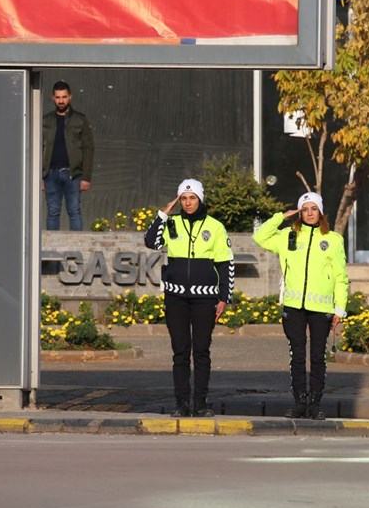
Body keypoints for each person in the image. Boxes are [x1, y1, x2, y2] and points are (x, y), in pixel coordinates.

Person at [253, 192, 349, 420]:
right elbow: (260, 237)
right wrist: (280, 217)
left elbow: (340, 276)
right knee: (296, 355)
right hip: (294, 306)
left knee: (317, 356)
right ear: (299, 212)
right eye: (304, 209)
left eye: (313, 209)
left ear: (320, 212)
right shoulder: (287, 235)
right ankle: (299, 402)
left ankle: (314, 404)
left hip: (321, 307)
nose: (309, 213)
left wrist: (339, 308)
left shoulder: (334, 239)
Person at [144, 179, 234, 417]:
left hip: (205, 299)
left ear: (200, 198)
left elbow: (226, 264)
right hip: (176, 298)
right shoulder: (171, 223)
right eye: (183, 198)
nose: (188, 202)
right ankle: (182, 404)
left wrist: (225, 297)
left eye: (192, 197)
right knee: (180, 352)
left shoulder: (215, 226)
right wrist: (164, 214)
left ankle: (201, 403)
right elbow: (150, 242)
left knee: (202, 351)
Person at [41, 81, 96, 231]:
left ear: (70, 97)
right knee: (52, 212)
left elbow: (88, 148)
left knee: (74, 211)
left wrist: (86, 177)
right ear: (53, 98)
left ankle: (77, 248)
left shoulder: (80, 119)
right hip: (50, 174)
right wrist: (40, 176)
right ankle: (52, 249)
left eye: (64, 97)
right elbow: (38, 148)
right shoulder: (46, 120)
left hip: (73, 174)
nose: (61, 101)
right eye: (58, 97)